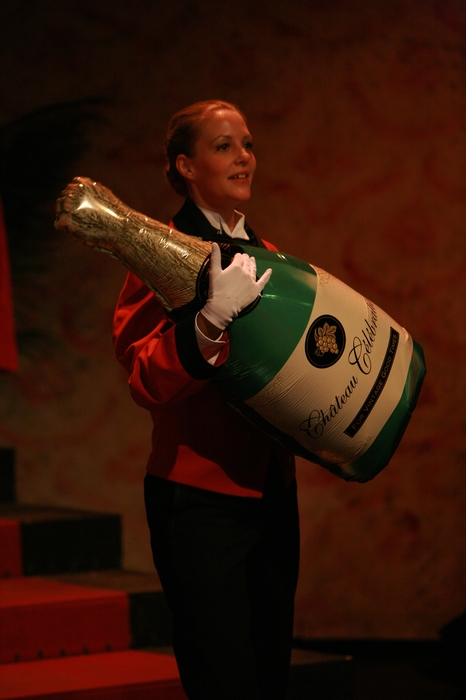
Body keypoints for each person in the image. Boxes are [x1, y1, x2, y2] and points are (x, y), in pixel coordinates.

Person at [113, 99, 300, 700]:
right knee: (222, 678)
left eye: (247, 144)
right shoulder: (159, 250)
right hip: (197, 499)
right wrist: (209, 320)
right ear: (186, 167)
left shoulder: (271, 256)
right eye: (224, 146)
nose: (244, 157)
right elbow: (144, 378)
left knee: (269, 671)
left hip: (272, 492)